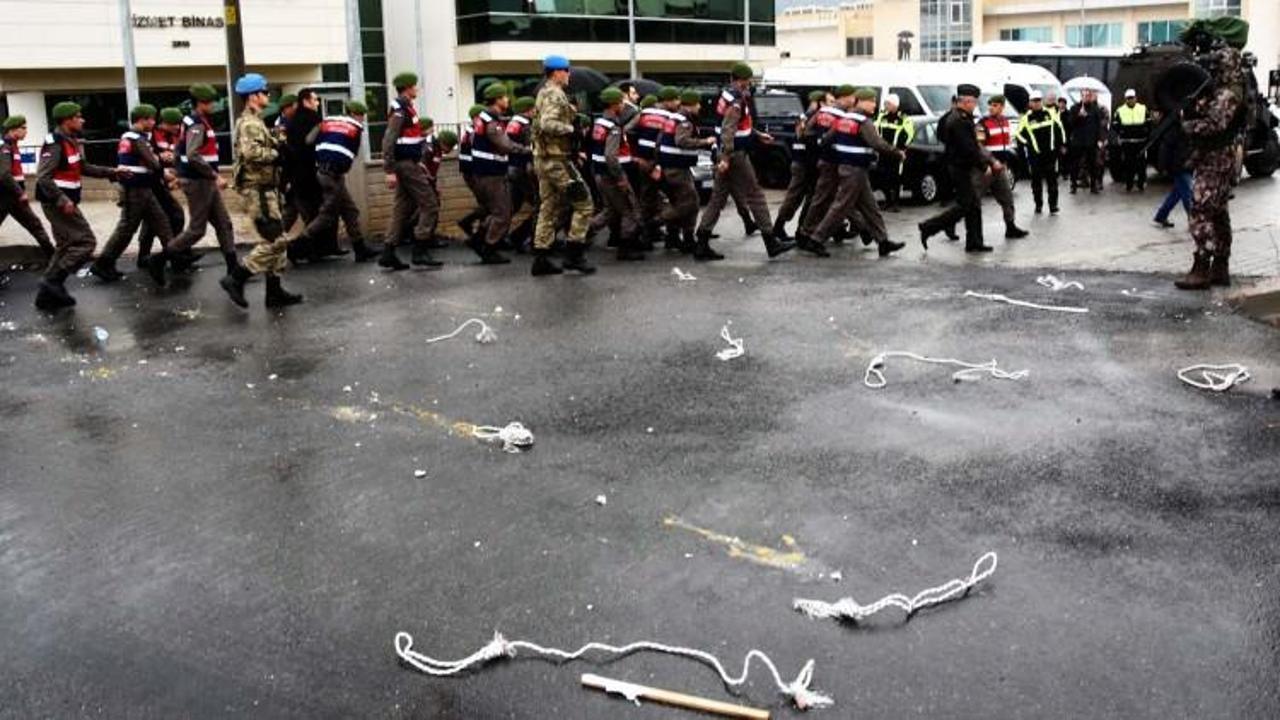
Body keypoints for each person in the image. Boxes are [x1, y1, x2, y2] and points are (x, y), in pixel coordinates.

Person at [218, 72, 302, 309]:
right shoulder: (250, 123)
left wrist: (277, 142)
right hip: (258, 191)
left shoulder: (256, 121)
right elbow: (251, 154)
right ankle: (237, 277)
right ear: (253, 96)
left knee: (276, 239)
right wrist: (277, 154)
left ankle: (274, 292)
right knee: (276, 241)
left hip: (266, 188)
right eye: (265, 92)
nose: (268, 96)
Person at [694, 62, 793, 261]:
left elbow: (738, 126)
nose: (747, 85)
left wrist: (756, 135)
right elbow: (728, 130)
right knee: (755, 195)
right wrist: (725, 157)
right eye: (745, 82)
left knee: (718, 198)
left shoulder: (726, 95)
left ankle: (702, 241)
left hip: (729, 153)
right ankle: (771, 241)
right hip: (735, 154)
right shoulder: (736, 101)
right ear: (739, 80)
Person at [33, 102, 125, 310]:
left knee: (65, 245)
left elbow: (84, 167)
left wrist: (112, 172)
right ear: (67, 121)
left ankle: (47, 296)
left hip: (66, 201)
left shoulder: (71, 141)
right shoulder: (54, 142)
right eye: (78, 116)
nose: (82, 120)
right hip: (57, 202)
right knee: (86, 242)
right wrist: (62, 200)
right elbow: (43, 177)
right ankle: (52, 281)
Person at [796, 87, 905, 257]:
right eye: (872, 101)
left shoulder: (844, 119)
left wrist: (835, 155)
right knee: (840, 206)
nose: (875, 105)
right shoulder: (863, 121)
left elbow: (826, 140)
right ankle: (816, 239)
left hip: (847, 168)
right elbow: (877, 144)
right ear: (861, 101)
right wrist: (897, 153)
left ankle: (883, 241)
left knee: (871, 207)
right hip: (855, 170)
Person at [1176, 44, 1247, 290]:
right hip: (1222, 157)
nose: (1212, 69)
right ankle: (1220, 267)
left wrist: (1186, 125)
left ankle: (1202, 267)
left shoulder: (1227, 94)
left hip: (1216, 159)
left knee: (1201, 209)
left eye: (1217, 65)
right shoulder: (1231, 90)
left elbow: (1215, 125)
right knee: (1218, 212)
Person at [156, 84, 239, 278]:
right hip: (199, 182)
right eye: (211, 102)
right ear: (201, 103)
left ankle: (233, 267)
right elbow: (192, 155)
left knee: (224, 224)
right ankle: (159, 260)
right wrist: (214, 175)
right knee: (196, 230)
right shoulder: (196, 124)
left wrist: (178, 172)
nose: (214, 106)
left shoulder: (192, 121)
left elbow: (178, 150)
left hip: (201, 180)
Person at [91, 104, 173, 284]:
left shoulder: (139, 137)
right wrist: (164, 163)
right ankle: (103, 263)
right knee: (126, 229)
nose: (154, 122)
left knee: (162, 222)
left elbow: (150, 162)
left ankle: (176, 255)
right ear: (142, 119)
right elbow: (153, 163)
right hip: (134, 189)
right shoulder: (135, 138)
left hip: (144, 187)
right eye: (151, 118)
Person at [531, 54, 595, 276]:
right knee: (584, 204)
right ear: (557, 72)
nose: (569, 75)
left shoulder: (544, 92)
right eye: (566, 70)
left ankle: (541, 258)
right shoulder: (554, 94)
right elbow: (548, 124)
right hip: (556, 160)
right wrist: (572, 130)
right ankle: (574, 255)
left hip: (545, 159)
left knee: (548, 207)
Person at [291, 100, 376, 266]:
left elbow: (309, 140)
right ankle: (296, 247)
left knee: (350, 210)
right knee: (327, 215)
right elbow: (354, 152)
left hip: (323, 172)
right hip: (333, 175)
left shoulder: (327, 121)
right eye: (361, 116)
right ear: (356, 114)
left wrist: (325, 147)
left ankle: (360, 250)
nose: (362, 119)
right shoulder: (355, 128)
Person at [918, 83, 1000, 253]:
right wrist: (984, 165)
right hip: (960, 167)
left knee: (974, 205)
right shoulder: (960, 121)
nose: (975, 106)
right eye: (974, 103)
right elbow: (969, 148)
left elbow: (942, 135)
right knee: (965, 205)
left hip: (958, 166)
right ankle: (928, 227)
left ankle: (974, 241)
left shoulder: (953, 116)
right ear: (966, 101)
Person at [380, 71, 441, 271]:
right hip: (405, 164)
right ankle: (420, 250)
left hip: (409, 163)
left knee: (402, 208)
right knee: (430, 203)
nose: (417, 88)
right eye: (415, 85)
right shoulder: (400, 110)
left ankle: (388, 252)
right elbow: (389, 139)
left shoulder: (406, 108)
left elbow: (408, 138)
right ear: (407, 88)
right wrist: (388, 169)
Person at [468, 83, 526, 264]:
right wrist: (527, 149)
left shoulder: (485, 118)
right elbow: (505, 145)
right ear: (497, 99)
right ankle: (489, 248)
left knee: (498, 210)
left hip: (485, 171)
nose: (508, 100)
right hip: (490, 172)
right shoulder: (491, 121)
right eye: (505, 97)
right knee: (502, 212)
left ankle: (479, 241)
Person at [590, 88, 645, 261]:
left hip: (600, 174)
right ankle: (626, 248)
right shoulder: (613, 127)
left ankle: (578, 235)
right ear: (614, 105)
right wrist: (621, 178)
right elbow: (611, 156)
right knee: (629, 210)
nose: (623, 105)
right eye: (621, 102)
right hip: (612, 176)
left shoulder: (599, 122)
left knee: (610, 211)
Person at [658, 90, 716, 254]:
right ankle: (655, 221)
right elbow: (681, 141)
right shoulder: (685, 121)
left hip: (672, 166)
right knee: (691, 203)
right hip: (677, 169)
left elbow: (660, 141)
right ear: (690, 105)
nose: (699, 107)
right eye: (697, 104)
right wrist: (705, 141)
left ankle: (675, 238)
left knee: (681, 202)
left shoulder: (673, 118)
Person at [137, 107, 187, 270]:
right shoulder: (149, 136)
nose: (177, 127)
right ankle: (177, 255)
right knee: (175, 215)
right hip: (151, 182)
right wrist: (160, 158)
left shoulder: (175, 136)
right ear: (165, 124)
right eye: (174, 124)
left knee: (152, 221)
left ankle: (146, 256)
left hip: (162, 181)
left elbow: (178, 156)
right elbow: (146, 157)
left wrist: (175, 165)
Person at [774, 90, 826, 241]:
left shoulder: (805, 115)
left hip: (801, 161)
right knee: (799, 197)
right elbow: (808, 138)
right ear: (817, 103)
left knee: (797, 197)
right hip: (804, 162)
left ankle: (784, 227)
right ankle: (791, 229)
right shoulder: (813, 117)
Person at [0, 115, 55, 259]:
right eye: (23, 128)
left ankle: (52, 256)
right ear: (12, 130)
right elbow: (4, 174)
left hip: (11, 196)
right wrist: (20, 193)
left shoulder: (12, 145)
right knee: (35, 225)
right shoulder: (4, 147)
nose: (26, 131)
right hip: (8, 196)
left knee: (35, 225)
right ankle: (52, 256)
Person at [976, 95, 1028, 239]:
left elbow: (1005, 145)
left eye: (995, 105)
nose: (991, 108)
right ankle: (951, 224)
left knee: (1007, 199)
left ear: (1002, 107)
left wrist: (1004, 163)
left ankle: (1010, 227)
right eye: (990, 105)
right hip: (987, 169)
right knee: (972, 201)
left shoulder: (1005, 122)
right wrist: (986, 164)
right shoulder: (983, 124)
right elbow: (979, 146)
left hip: (1000, 169)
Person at [1015, 90, 1067, 214]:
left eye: (1038, 100)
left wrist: (1062, 144)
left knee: (1052, 181)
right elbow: (1018, 134)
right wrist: (1027, 144)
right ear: (1030, 103)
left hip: (1050, 154)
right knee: (1036, 182)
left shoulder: (1050, 113)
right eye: (1034, 101)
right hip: (1035, 156)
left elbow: (1060, 128)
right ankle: (1038, 204)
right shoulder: (1026, 118)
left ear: (1042, 101)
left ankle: (1053, 205)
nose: (1037, 103)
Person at [873, 92, 915, 212]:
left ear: (894, 105)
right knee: (882, 177)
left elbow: (910, 133)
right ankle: (888, 201)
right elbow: (875, 128)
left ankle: (895, 203)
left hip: (897, 153)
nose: (885, 106)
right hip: (883, 152)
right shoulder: (882, 116)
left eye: (888, 104)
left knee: (895, 178)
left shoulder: (903, 118)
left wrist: (902, 147)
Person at [506, 96, 538, 251]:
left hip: (512, 168)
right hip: (523, 170)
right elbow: (530, 149)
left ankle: (496, 237)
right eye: (534, 108)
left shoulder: (512, 123)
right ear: (529, 109)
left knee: (513, 205)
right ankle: (523, 237)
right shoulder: (525, 125)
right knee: (540, 206)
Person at [1152, 113, 1192, 229]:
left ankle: (1161, 216)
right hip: (1180, 166)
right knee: (1187, 193)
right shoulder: (1175, 130)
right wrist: (1163, 166)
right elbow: (1165, 148)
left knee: (1177, 193)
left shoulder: (1186, 128)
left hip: (1186, 164)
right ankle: (1193, 218)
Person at [455, 104, 487, 244]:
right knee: (487, 204)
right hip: (473, 172)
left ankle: (480, 230)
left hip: (470, 171)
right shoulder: (474, 132)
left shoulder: (470, 131)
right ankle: (468, 223)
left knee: (485, 203)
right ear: (475, 118)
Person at [1067, 89, 1107, 194]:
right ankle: (1073, 185)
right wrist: (1078, 116)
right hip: (1078, 141)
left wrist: (1100, 139)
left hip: (1091, 141)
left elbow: (1099, 126)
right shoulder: (1074, 108)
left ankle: (1093, 185)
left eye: (1088, 96)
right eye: (1084, 96)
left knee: (1093, 164)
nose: (1086, 97)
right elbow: (1070, 124)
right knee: (1075, 164)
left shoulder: (1095, 109)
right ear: (1081, 97)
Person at [1113, 88, 1150, 192]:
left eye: (1132, 98)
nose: (1131, 100)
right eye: (1128, 98)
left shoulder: (1143, 108)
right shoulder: (1120, 110)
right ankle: (1129, 184)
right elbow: (1115, 124)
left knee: (1141, 164)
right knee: (1129, 164)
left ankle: (1141, 184)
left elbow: (1149, 122)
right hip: (1127, 142)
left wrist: (1146, 133)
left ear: (1136, 98)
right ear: (1125, 99)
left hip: (1140, 141)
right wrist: (1121, 132)